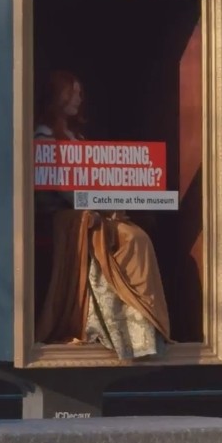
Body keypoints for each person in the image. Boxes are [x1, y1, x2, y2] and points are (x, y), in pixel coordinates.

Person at [33, 69, 172, 360]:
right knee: (132, 239)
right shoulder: (44, 137)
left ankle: (141, 329)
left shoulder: (75, 136)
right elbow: (64, 190)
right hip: (69, 218)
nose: (79, 97)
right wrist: (103, 204)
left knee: (139, 233)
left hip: (91, 210)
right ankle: (115, 328)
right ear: (59, 96)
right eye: (74, 91)